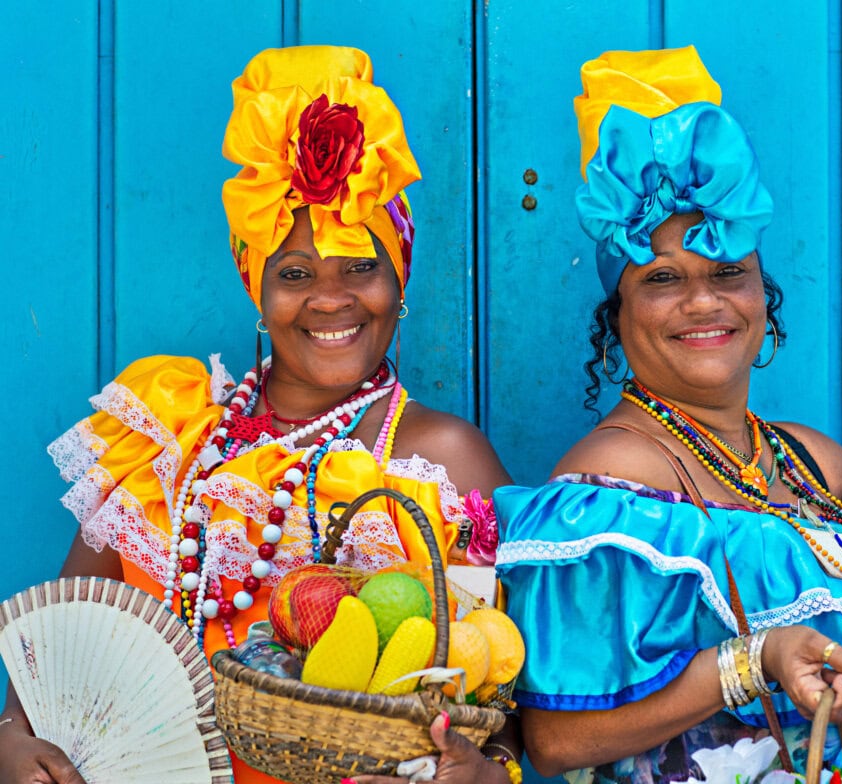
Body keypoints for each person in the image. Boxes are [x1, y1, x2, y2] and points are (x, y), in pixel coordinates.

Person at [1, 46, 519, 784]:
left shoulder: (443, 458)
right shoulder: (166, 437)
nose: (329, 298)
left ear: (399, 280)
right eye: (295, 273)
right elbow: (61, 638)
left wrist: (488, 775)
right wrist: (11, 736)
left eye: (361, 267)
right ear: (258, 288)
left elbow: (509, 705)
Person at [493, 46, 842, 783]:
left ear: (761, 294)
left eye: (727, 273)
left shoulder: (814, 461)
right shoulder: (606, 487)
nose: (703, 302)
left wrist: (832, 669)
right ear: (618, 312)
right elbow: (556, 742)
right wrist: (750, 664)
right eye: (663, 279)